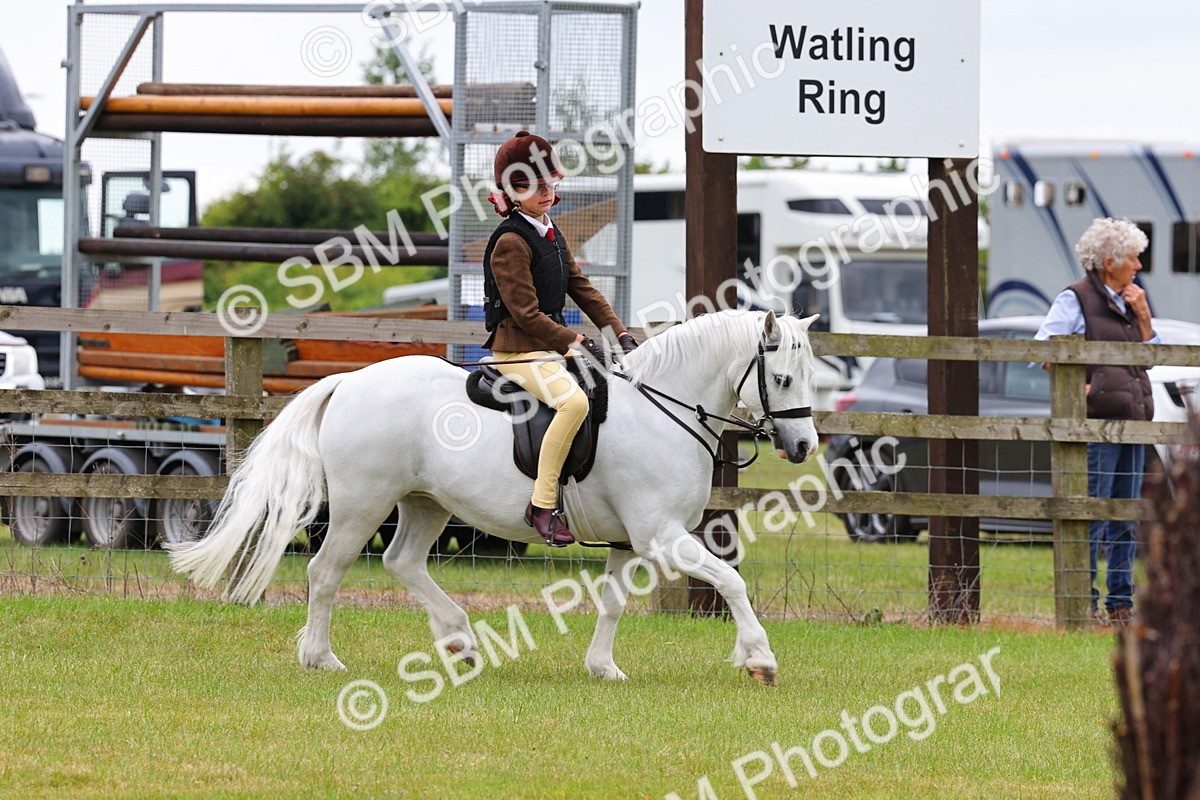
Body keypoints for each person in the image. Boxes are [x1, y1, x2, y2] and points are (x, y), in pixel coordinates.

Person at [482, 130, 637, 547]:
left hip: (546, 347)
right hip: (516, 351)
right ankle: (543, 504)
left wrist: (619, 332)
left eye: (550, 183)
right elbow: (526, 314)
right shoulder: (511, 242)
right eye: (535, 187)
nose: (547, 192)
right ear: (514, 193)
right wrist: (573, 340)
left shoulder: (551, 230)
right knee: (574, 402)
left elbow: (581, 286)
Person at [1035, 217, 1159, 627]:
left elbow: (1152, 358)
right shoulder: (1076, 298)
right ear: (1109, 261)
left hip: (1135, 421)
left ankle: (1120, 603)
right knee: (1091, 514)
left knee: (1125, 514)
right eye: (1133, 258)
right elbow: (1044, 349)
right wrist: (1082, 386)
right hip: (1096, 426)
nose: (1139, 265)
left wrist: (1143, 317)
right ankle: (1083, 601)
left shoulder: (1131, 299)